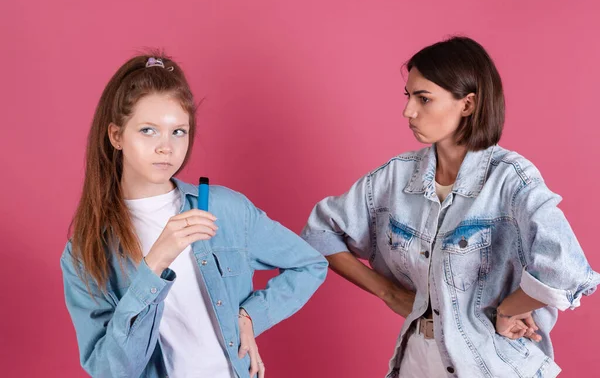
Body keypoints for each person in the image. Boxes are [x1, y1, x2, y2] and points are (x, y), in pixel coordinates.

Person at [301, 36, 599, 377]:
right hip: (416, 359)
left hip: (489, 363)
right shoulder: (395, 177)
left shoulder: (509, 179)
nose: (408, 111)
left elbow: (567, 270)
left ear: (467, 104)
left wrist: (509, 309)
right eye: (408, 96)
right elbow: (319, 232)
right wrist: (387, 292)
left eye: (423, 99)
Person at [61, 54, 328, 378]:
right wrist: (155, 264)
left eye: (178, 132)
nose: (166, 147)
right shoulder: (85, 252)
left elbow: (311, 264)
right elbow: (111, 371)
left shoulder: (225, 210)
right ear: (116, 136)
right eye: (148, 130)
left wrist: (251, 315)